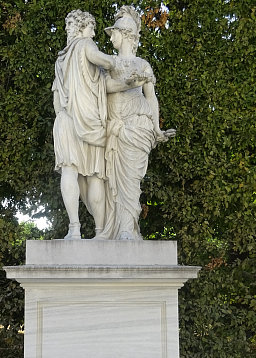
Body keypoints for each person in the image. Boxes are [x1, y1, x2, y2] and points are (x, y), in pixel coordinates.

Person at [98, 6, 176, 240]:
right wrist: (128, 83)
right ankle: (116, 229)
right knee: (111, 183)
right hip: (114, 128)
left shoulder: (142, 64)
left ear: (126, 35)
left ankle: (125, 230)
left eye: (114, 32)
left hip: (138, 127)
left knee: (131, 181)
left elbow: (151, 97)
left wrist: (157, 128)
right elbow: (104, 88)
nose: (111, 37)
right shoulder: (108, 64)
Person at [52, 10, 116, 239]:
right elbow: (107, 61)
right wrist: (127, 65)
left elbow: (57, 99)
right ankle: (101, 232)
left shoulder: (60, 60)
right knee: (95, 177)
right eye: (91, 28)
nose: (94, 33)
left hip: (65, 120)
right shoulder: (86, 45)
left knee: (69, 172)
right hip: (90, 123)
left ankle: (74, 228)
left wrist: (64, 115)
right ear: (81, 29)